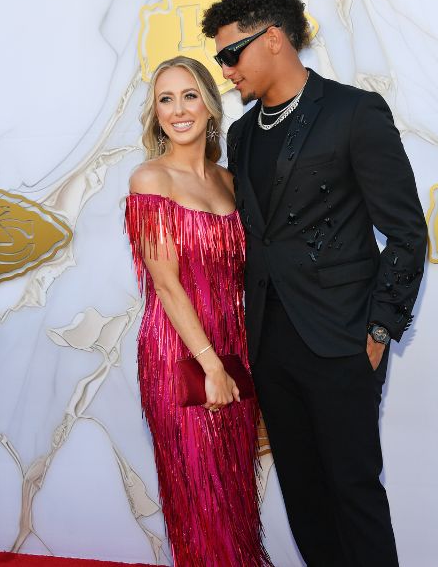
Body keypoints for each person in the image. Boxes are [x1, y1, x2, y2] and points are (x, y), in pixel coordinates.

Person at [200, 0, 427, 566]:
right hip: (271, 342)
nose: (226, 70)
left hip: (343, 339)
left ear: (273, 38)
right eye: (220, 59)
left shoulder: (354, 112)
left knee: (352, 489)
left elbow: (406, 230)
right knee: (301, 492)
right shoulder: (244, 134)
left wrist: (379, 329)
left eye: (231, 54)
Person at [124, 56, 270, 566]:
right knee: (200, 500)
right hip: (180, 355)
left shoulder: (230, 183)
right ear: (156, 114)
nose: (178, 109)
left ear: (209, 104)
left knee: (234, 498)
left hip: (233, 352)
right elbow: (165, 285)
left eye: (189, 95)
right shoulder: (150, 180)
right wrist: (210, 367)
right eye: (166, 99)